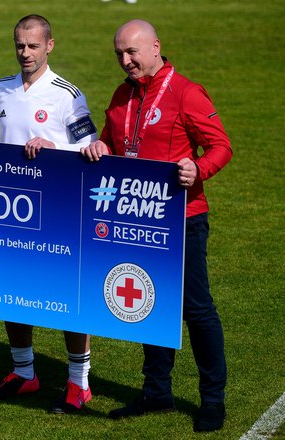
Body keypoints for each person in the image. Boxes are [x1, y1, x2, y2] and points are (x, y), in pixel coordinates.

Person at [81, 19, 232, 432]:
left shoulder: (186, 93)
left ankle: (212, 399)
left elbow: (221, 145)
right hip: (135, 219)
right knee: (148, 304)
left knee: (196, 310)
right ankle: (156, 391)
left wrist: (198, 169)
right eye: (119, 54)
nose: (125, 61)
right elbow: (113, 143)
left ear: (155, 47)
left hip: (183, 219)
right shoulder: (120, 95)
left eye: (131, 52)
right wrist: (100, 146)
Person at [0, 14, 97, 413]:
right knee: (12, 292)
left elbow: (93, 151)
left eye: (32, 46)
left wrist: (54, 148)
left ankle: (79, 383)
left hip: (59, 211)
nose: (25, 53)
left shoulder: (67, 95)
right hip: (12, 211)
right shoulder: (2, 90)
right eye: (19, 45)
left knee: (67, 297)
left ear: (50, 46)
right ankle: (24, 373)